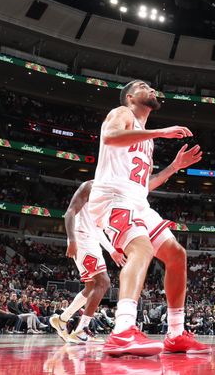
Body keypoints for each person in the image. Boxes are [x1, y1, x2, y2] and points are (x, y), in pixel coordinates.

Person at [88, 79, 208, 356]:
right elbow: (109, 137)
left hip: (136, 201)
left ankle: (176, 333)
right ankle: (122, 331)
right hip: (113, 199)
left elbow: (144, 185)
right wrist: (162, 132)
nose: (151, 88)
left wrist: (174, 167)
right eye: (143, 85)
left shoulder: (145, 138)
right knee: (141, 249)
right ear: (130, 96)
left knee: (177, 255)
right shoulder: (122, 114)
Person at [50, 180, 127, 344]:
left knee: (91, 286)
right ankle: (81, 330)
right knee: (104, 282)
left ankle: (62, 320)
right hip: (82, 238)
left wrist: (112, 250)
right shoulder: (91, 186)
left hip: (91, 240)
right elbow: (70, 212)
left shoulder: (110, 198)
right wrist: (72, 239)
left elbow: (98, 229)